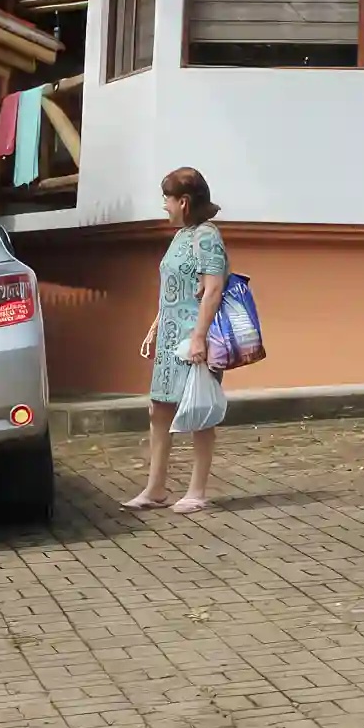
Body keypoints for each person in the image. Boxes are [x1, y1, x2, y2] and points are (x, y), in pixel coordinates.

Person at [125, 166, 227, 515]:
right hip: (170, 338)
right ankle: (155, 488)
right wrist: (156, 328)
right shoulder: (181, 236)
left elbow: (213, 288)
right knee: (159, 409)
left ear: (183, 201)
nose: (164, 206)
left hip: (194, 339)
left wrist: (199, 336)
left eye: (167, 199)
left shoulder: (207, 236)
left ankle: (197, 490)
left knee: (199, 411)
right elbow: (174, 290)